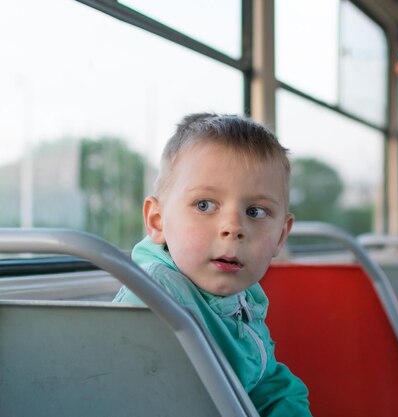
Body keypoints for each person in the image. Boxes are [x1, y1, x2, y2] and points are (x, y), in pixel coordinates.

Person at [113, 113, 312, 416]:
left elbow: (265, 382)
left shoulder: (245, 298)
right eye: (204, 205)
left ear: (280, 236)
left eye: (256, 212)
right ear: (157, 221)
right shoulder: (152, 297)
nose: (233, 227)